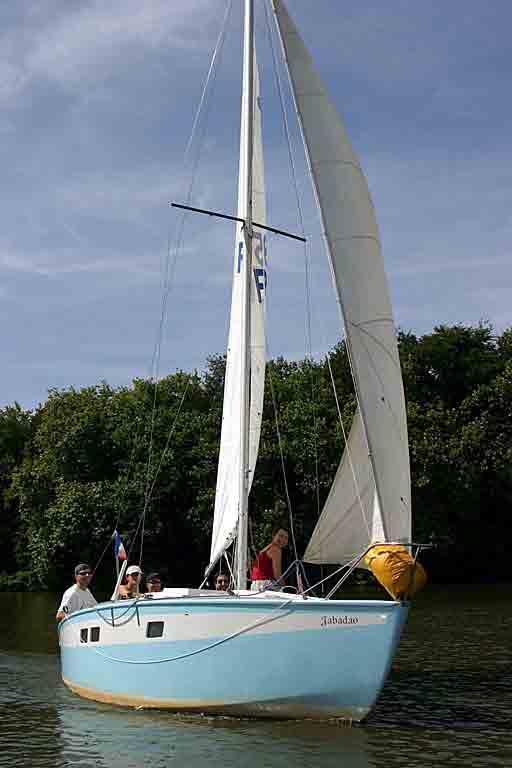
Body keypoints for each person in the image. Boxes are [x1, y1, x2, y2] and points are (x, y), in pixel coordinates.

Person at [250, 527, 289, 591]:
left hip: (255, 585)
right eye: (281, 536)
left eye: (286, 538)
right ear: (273, 536)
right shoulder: (276, 549)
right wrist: (285, 588)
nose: (283, 539)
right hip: (266, 585)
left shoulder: (265, 549)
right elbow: (277, 575)